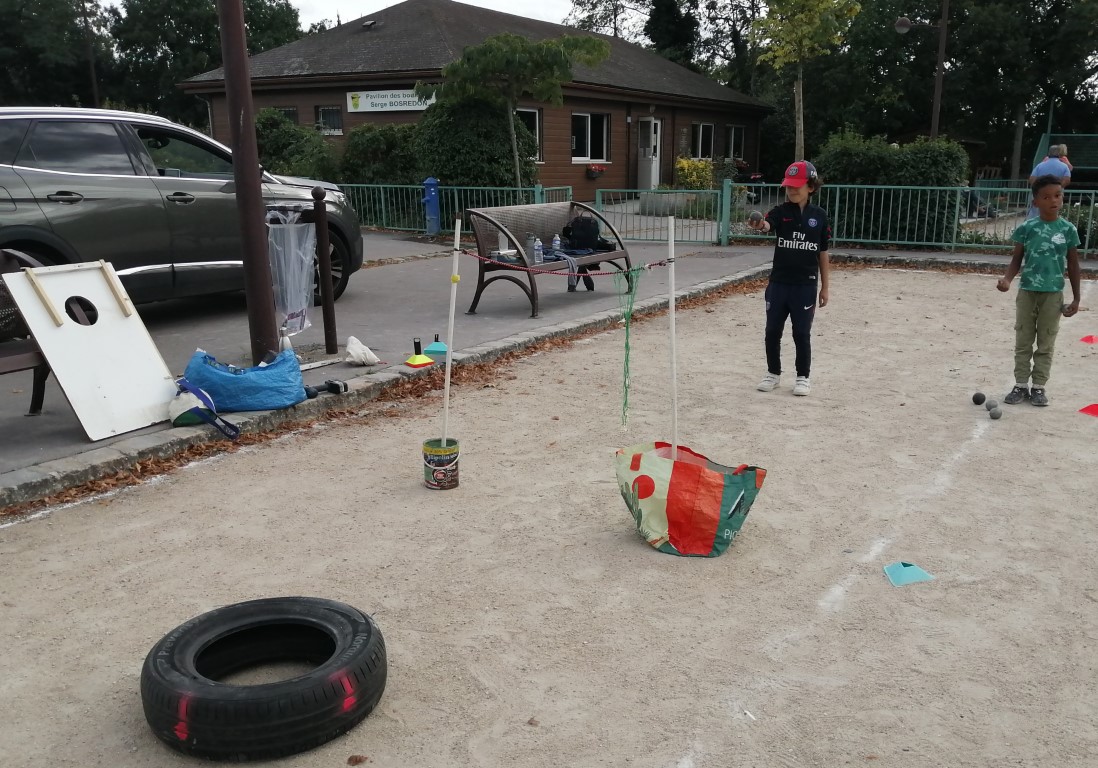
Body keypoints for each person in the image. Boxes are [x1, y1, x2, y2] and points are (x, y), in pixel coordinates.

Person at [746, 160, 831, 396]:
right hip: (778, 284)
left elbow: (823, 253)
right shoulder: (780, 212)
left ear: (811, 187)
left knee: (801, 333)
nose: (792, 190)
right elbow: (767, 224)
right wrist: (759, 224)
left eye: (797, 186)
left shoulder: (820, 216)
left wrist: (825, 287)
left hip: (805, 285)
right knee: (772, 330)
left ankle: (803, 377)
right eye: (788, 186)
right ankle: (773, 373)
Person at [996, 174, 1081, 407]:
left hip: (1053, 294)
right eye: (1046, 197)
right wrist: (1007, 279)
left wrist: (1076, 298)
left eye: (1057, 195)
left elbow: (1073, 264)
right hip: (1027, 292)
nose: (1053, 200)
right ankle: (1020, 385)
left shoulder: (1068, 230)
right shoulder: (1027, 228)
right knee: (1023, 339)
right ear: (1036, 202)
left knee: (1046, 342)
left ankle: (1039, 387)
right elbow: (1016, 259)